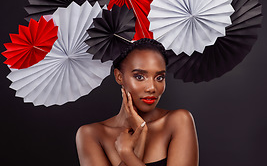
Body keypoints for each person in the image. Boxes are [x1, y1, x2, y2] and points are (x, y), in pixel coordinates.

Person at [76, 38, 199, 166]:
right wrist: (139, 139)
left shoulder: (178, 121)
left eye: (159, 77)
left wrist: (127, 154)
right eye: (139, 77)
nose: (151, 87)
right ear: (119, 77)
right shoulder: (91, 134)